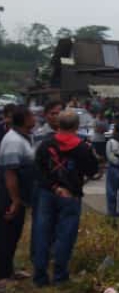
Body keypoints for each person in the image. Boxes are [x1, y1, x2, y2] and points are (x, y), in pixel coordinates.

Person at [32, 110, 98, 286]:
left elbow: (37, 170)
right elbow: (93, 170)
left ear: (58, 125)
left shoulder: (45, 145)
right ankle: (60, 276)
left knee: (42, 234)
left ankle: (40, 277)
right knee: (65, 235)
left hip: (47, 194)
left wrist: (54, 187)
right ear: (77, 126)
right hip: (71, 196)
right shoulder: (83, 147)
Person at [0, 107, 36, 286]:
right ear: (24, 119)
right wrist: (14, 200)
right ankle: (2, 276)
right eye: (32, 115)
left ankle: (9, 270)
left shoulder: (24, 136)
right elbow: (10, 174)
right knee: (6, 234)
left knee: (14, 234)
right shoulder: (13, 141)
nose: (35, 118)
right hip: (10, 194)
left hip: (20, 194)